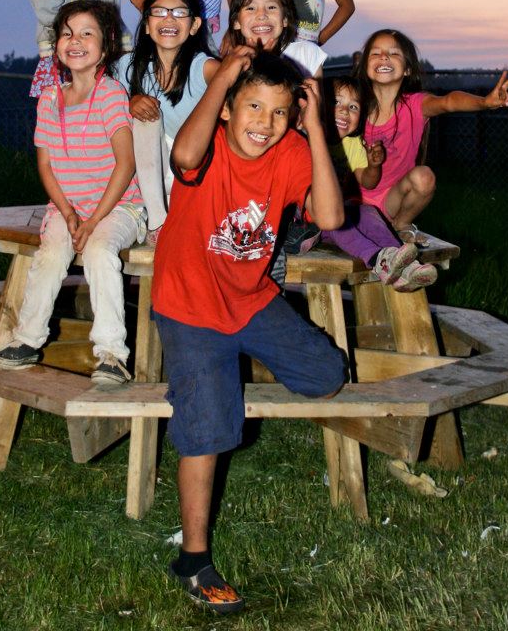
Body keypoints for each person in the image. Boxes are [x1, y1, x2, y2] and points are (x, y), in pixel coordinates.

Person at [151, 50, 348, 614]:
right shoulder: (206, 141)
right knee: (210, 427)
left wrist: (314, 132)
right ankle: (193, 558)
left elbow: (331, 218)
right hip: (189, 304)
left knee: (326, 375)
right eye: (253, 107)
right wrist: (226, 80)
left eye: (279, 112)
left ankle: (225, 375)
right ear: (228, 108)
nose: (263, 122)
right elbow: (184, 157)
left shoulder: (289, 149)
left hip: (250, 298)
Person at [0, 1, 146, 386]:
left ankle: (112, 354)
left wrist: (93, 221)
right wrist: (69, 212)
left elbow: (125, 165)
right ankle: (27, 339)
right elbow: (45, 165)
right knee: (50, 253)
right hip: (68, 206)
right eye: (67, 33)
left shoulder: (110, 94)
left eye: (86, 33)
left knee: (98, 251)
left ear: (107, 45)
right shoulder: (49, 98)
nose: (74, 41)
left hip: (119, 206)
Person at [358, 29, 508, 242]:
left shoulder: (416, 105)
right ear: (365, 66)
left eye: (394, 53)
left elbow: (449, 101)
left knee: (424, 177)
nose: (384, 57)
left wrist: (484, 102)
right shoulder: (353, 108)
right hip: (356, 202)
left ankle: (401, 226)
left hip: (392, 200)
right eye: (375, 53)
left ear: (407, 69)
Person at [120, 0, 219, 243]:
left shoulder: (206, 68)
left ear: (195, 25)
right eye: (160, 12)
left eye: (178, 13)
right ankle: (157, 219)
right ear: (146, 24)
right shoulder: (127, 67)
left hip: (194, 170)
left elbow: (240, 92)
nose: (168, 19)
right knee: (145, 117)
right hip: (148, 175)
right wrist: (130, 101)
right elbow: (101, 106)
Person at [321, 76, 437, 290]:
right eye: (336, 102)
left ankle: (406, 266)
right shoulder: (309, 136)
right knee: (337, 215)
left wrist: (374, 166)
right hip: (311, 222)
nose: (345, 111)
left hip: (342, 211)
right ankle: (377, 259)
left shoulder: (352, 143)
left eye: (353, 107)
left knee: (367, 211)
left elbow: (368, 182)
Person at [226, 0, 328, 78]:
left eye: (271, 7)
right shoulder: (233, 66)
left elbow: (317, 93)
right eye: (251, 8)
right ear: (236, 22)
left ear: (285, 19)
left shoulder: (306, 53)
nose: (262, 15)